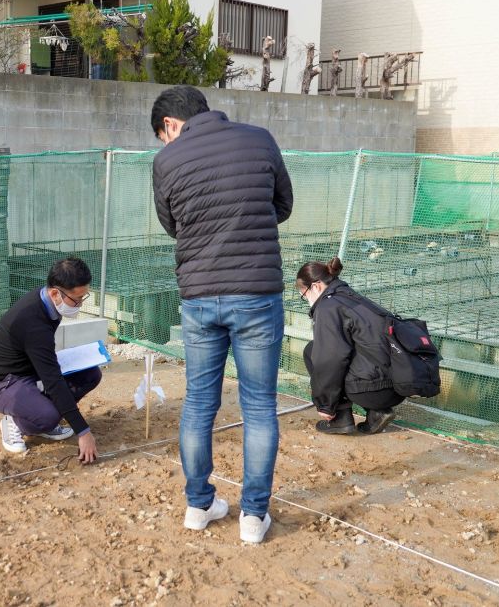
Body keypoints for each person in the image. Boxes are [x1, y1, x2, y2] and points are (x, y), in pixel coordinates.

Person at [151, 85, 293, 545]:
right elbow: (283, 205)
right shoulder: (260, 139)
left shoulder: (167, 161)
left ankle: (198, 504)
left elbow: (172, 224)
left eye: (162, 134)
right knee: (258, 406)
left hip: (199, 295)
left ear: (171, 125)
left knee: (198, 404)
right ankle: (253, 517)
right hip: (256, 292)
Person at [0, 258, 101, 462]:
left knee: (90, 374)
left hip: (29, 371)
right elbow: (52, 379)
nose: (79, 304)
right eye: (76, 299)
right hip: (1, 383)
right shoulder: (32, 321)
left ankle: (37, 412)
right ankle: (16, 421)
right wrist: (83, 431)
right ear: (55, 293)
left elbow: (47, 367)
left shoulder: (49, 302)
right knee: (48, 416)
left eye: (83, 297)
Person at [297, 257, 405, 435]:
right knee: (344, 352)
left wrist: (326, 404)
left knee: (313, 352)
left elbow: (330, 359)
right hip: (397, 386)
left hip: (375, 390)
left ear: (315, 286)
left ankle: (340, 418)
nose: (307, 301)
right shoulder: (348, 295)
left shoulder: (328, 306)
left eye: (305, 295)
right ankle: (377, 413)